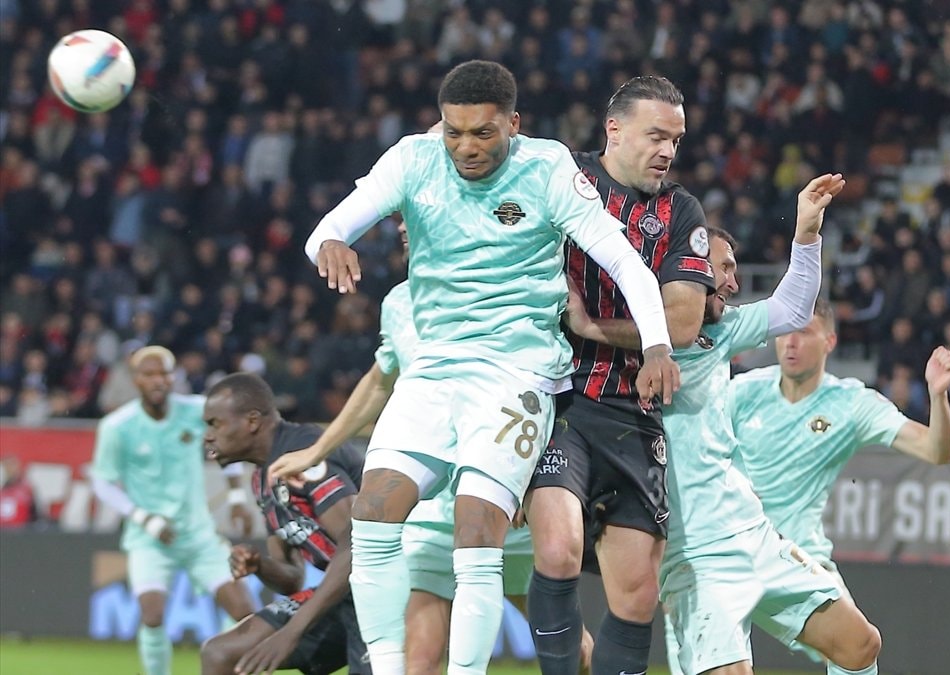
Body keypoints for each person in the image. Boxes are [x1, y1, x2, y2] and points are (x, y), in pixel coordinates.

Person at [301, 60, 676, 674]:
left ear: (513, 125)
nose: (465, 147)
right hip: (434, 371)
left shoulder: (547, 168)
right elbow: (327, 228)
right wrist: (331, 243)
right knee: (371, 515)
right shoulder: (413, 160)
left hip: (515, 375)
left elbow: (624, 262)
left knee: (475, 531)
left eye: (482, 133)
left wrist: (657, 344)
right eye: (453, 132)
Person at [568, 174, 885, 674]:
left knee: (860, 644)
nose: (734, 284)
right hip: (691, 554)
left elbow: (791, 307)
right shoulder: (614, 349)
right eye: (725, 269)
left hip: (751, 530)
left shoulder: (723, 331)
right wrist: (588, 326)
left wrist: (806, 232)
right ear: (687, 269)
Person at [269, 274, 594, 674]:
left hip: (500, 503)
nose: (410, 238)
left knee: (573, 650)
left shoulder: (504, 281)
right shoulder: (399, 302)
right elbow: (381, 378)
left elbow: (541, 384)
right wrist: (317, 449)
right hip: (432, 515)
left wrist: (525, 477)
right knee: (418, 661)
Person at [525, 75, 715, 675]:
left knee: (636, 593)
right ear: (614, 128)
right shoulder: (562, 177)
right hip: (559, 399)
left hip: (633, 410)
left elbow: (681, 322)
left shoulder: (680, 211)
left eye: (676, 140)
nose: (668, 151)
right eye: (656, 136)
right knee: (557, 550)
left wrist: (592, 326)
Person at [727, 301, 950, 604]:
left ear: (830, 342)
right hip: (734, 556)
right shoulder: (743, 391)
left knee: (861, 636)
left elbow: (937, 452)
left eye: (804, 332)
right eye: (784, 331)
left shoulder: (851, 402)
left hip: (799, 559)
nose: (791, 342)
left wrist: (938, 396)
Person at [89, 346, 255, 675]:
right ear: (135, 379)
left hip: (198, 535)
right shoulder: (117, 426)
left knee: (246, 613)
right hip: (149, 540)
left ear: (174, 376)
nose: (158, 380)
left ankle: (224, 661)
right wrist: (144, 518)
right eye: (149, 374)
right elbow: (102, 483)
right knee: (151, 615)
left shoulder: (195, 410)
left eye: (165, 373)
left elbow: (229, 446)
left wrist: (237, 498)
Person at [199, 372, 369, 675]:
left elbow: (359, 545)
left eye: (215, 424)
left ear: (252, 421)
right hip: (345, 593)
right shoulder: (262, 479)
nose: (208, 436)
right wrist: (259, 565)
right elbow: (291, 578)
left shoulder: (305, 455)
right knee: (220, 653)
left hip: (386, 590)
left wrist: (292, 631)